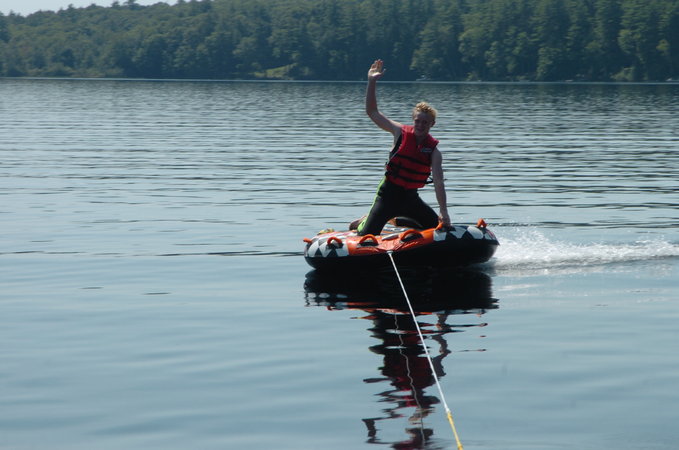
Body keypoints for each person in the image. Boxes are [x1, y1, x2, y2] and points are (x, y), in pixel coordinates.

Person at [353, 59, 451, 236]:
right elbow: (372, 112)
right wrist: (371, 81)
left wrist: (443, 211)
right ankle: (362, 222)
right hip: (387, 197)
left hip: (411, 200)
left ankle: (397, 220)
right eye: (418, 121)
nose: (420, 125)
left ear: (432, 124)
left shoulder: (434, 152)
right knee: (366, 236)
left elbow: (438, 182)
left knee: (441, 230)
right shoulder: (399, 132)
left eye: (425, 122)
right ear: (413, 120)